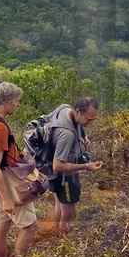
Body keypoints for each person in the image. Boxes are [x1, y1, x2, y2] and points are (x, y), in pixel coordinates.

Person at [0, 82, 38, 257]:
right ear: (6, 101)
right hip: (8, 186)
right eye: (16, 101)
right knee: (30, 226)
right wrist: (7, 198)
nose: (18, 104)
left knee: (2, 226)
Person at [39, 96, 104, 245]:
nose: (91, 122)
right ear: (77, 111)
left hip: (50, 170)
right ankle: (64, 243)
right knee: (69, 210)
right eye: (89, 119)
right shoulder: (67, 134)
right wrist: (86, 166)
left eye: (94, 119)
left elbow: (76, 123)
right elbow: (58, 165)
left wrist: (82, 134)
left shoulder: (64, 108)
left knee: (60, 203)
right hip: (64, 174)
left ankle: (55, 233)